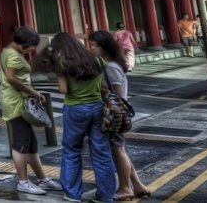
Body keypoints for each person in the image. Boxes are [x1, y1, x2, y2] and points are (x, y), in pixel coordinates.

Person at [42, 31, 116, 203]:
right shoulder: (97, 60)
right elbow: (103, 85)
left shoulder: (62, 63)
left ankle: (72, 194)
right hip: (98, 107)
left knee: (72, 151)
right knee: (101, 152)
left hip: (75, 108)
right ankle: (105, 195)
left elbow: (64, 90)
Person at [0, 26, 61, 196]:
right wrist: (33, 92)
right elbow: (11, 78)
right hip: (17, 103)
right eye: (33, 45)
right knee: (21, 143)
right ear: (26, 42)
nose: (33, 49)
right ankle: (23, 182)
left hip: (16, 100)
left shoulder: (7, 51)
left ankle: (42, 179)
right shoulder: (13, 55)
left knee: (31, 143)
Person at [88, 31, 148, 201]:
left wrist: (98, 87)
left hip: (114, 115)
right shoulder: (111, 65)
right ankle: (137, 185)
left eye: (95, 45)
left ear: (105, 47)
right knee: (120, 150)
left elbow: (117, 96)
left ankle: (125, 188)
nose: (92, 48)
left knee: (118, 151)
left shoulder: (111, 67)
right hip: (117, 114)